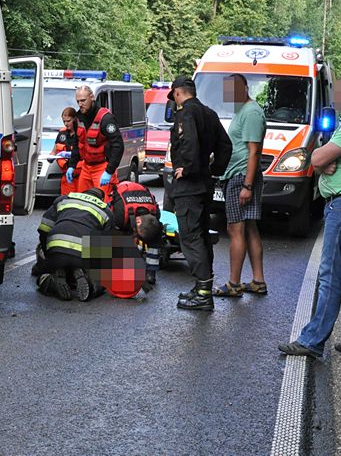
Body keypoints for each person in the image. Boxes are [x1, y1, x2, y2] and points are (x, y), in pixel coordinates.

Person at [279, 71, 341, 358]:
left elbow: (318, 157)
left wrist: (321, 161)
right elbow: (324, 161)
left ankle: (311, 341)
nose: (340, 97)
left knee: (330, 274)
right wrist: (324, 163)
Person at [168, 75, 232, 311]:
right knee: (202, 236)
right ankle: (201, 286)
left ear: (177, 93)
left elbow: (190, 143)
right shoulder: (209, 113)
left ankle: (203, 293)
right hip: (205, 184)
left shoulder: (186, 113)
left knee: (191, 237)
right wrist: (213, 169)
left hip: (190, 186)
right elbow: (225, 146)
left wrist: (187, 169)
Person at [213, 74, 268, 298]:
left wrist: (247, 184)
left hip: (241, 177)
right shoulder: (242, 111)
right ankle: (258, 281)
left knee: (235, 229)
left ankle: (234, 284)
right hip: (238, 175)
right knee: (250, 228)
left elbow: (253, 151)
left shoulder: (252, 112)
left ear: (245, 88)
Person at [36, 187, 114, 302]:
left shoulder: (63, 200)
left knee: (42, 277)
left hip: (57, 250)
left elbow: (44, 228)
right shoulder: (106, 211)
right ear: (101, 199)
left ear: (82, 193)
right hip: (83, 255)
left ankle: (51, 281)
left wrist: (48, 256)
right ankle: (91, 284)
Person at [66, 86, 124, 199]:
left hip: (102, 167)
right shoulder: (79, 118)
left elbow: (118, 146)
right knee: (81, 201)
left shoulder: (105, 119)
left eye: (83, 100)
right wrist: (72, 165)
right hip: (86, 167)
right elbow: (77, 144)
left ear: (92, 97)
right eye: (78, 101)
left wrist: (109, 171)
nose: (80, 104)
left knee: (103, 203)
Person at [110, 181, 163, 286]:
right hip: (123, 197)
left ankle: (151, 272)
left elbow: (152, 227)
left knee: (156, 234)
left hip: (137, 197)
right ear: (137, 222)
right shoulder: (119, 215)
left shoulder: (155, 213)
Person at [50, 107, 80, 195]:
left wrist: (70, 154)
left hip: (80, 174)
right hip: (67, 175)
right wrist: (51, 157)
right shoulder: (62, 134)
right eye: (64, 121)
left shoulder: (81, 133)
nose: (66, 124)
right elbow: (54, 151)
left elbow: (85, 152)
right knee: (66, 200)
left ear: (75, 119)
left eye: (68, 121)